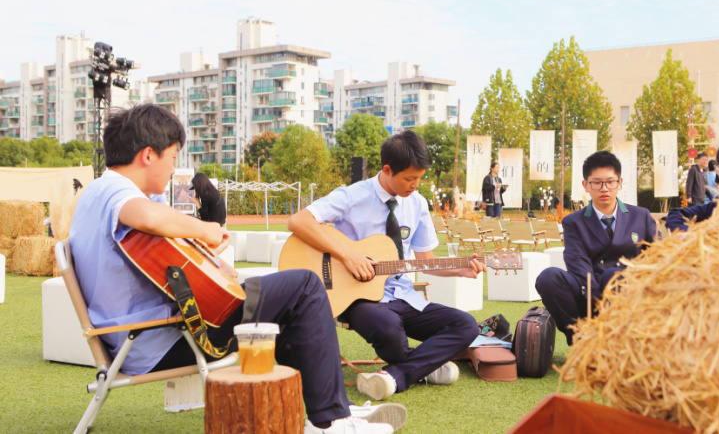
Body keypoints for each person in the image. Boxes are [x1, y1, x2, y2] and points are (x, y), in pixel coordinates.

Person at [68, 104, 399, 434]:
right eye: (173, 157)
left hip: (146, 336)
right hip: (165, 338)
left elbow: (156, 255)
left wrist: (201, 251)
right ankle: (330, 420)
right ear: (148, 155)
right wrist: (205, 230)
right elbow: (149, 217)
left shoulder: (95, 192)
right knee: (305, 286)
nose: (173, 169)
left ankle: (329, 410)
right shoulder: (115, 190)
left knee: (287, 300)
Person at [287, 130, 485, 401]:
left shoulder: (417, 204)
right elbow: (298, 222)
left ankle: (395, 375)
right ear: (387, 169)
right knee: (389, 328)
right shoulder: (352, 196)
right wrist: (348, 255)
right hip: (357, 299)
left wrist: (459, 269)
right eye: (409, 178)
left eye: (419, 178)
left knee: (466, 325)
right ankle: (422, 368)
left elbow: (425, 261)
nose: (415, 185)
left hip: (403, 296)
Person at [535, 151, 658, 346]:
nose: (604, 188)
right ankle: (581, 343)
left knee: (614, 275)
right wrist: (598, 298)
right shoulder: (573, 221)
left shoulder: (640, 216)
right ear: (586, 185)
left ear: (620, 183)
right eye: (597, 182)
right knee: (548, 277)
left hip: (628, 295)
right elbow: (577, 263)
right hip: (588, 294)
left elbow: (658, 257)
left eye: (610, 182)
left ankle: (619, 343)